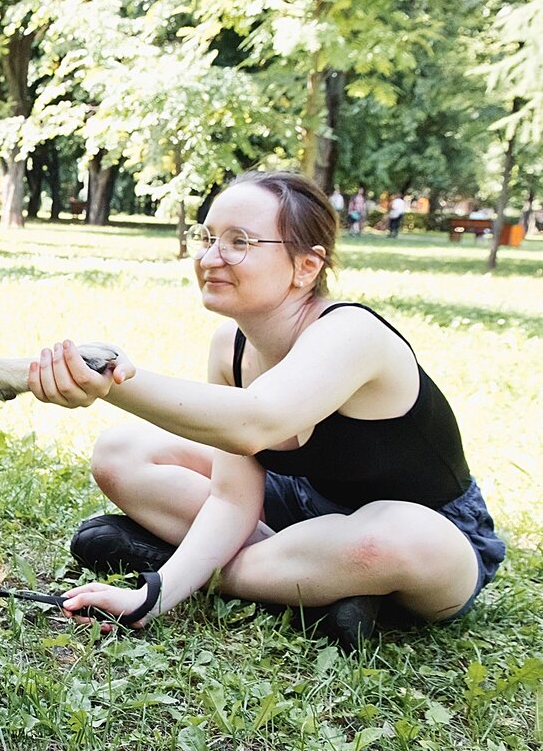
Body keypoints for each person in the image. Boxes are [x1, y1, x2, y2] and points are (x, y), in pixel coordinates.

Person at [27, 171, 504, 649]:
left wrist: (110, 381)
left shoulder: (354, 333)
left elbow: (255, 422)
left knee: (391, 538)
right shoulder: (229, 347)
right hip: (302, 507)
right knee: (120, 452)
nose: (211, 258)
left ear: (306, 266)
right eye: (208, 237)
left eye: (240, 242)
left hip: (434, 539)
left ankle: (218, 569)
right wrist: (156, 602)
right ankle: (314, 587)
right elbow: (233, 498)